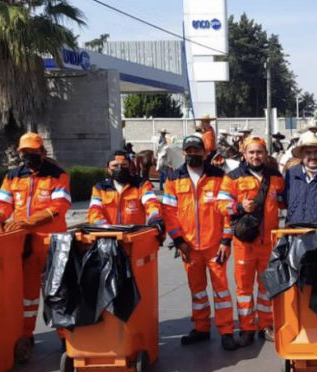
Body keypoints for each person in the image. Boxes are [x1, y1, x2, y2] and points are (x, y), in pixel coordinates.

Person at [0, 133, 71, 346]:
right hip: (25, 245)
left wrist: (28, 222)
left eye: (33, 152)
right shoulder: (13, 176)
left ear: (43, 152)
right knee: (28, 294)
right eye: (25, 153)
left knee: (56, 291)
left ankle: (66, 337)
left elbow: (59, 207)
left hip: (52, 242)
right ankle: (25, 335)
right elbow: (3, 204)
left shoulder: (58, 175)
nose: (29, 156)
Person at [161, 135, 236, 351]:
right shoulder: (173, 179)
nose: (193, 154)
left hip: (216, 246)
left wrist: (225, 240)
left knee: (221, 290)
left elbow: (227, 214)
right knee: (198, 291)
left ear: (205, 152)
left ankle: (226, 330)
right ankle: (201, 328)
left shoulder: (220, 177)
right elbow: (169, 213)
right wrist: (178, 241)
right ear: (183, 153)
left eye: (197, 150)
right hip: (189, 247)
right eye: (189, 150)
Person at [219, 135, 286, 346]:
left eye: (259, 152)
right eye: (252, 152)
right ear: (244, 154)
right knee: (244, 289)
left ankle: (266, 325)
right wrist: (239, 207)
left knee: (267, 287)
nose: (256, 156)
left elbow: (285, 202)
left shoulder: (276, 177)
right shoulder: (232, 177)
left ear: (265, 154)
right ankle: (247, 328)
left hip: (269, 244)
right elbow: (221, 205)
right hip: (244, 244)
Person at [88, 149, 162, 227]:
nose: (120, 169)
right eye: (115, 166)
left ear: (129, 166)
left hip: (134, 235)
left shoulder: (141, 185)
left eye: (124, 165)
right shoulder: (100, 188)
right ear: (108, 169)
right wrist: (105, 228)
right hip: (108, 235)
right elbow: (94, 210)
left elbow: (151, 202)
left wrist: (155, 218)